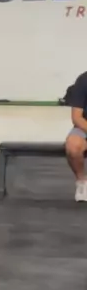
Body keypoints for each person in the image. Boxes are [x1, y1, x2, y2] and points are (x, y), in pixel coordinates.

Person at [65, 71, 87, 201]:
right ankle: (82, 182)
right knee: (73, 145)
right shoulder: (84, 80)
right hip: (85, 126)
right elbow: (77, 117)